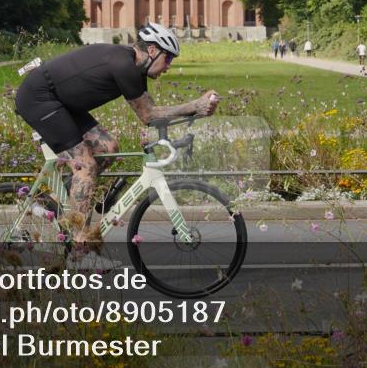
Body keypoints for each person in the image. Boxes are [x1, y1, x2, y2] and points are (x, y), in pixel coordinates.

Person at [14, 23, 218, 249]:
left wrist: (195, 109)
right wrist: (194, 105)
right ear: (152, 51)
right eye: (168, 58)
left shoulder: (135, 68)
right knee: (86, 167)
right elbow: (149, 115)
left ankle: (60, 200)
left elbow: (148, 114)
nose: (168, 66)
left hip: (62, 102)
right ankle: (80, 250)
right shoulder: (124, 65)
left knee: (108, 149)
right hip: (39, 99)